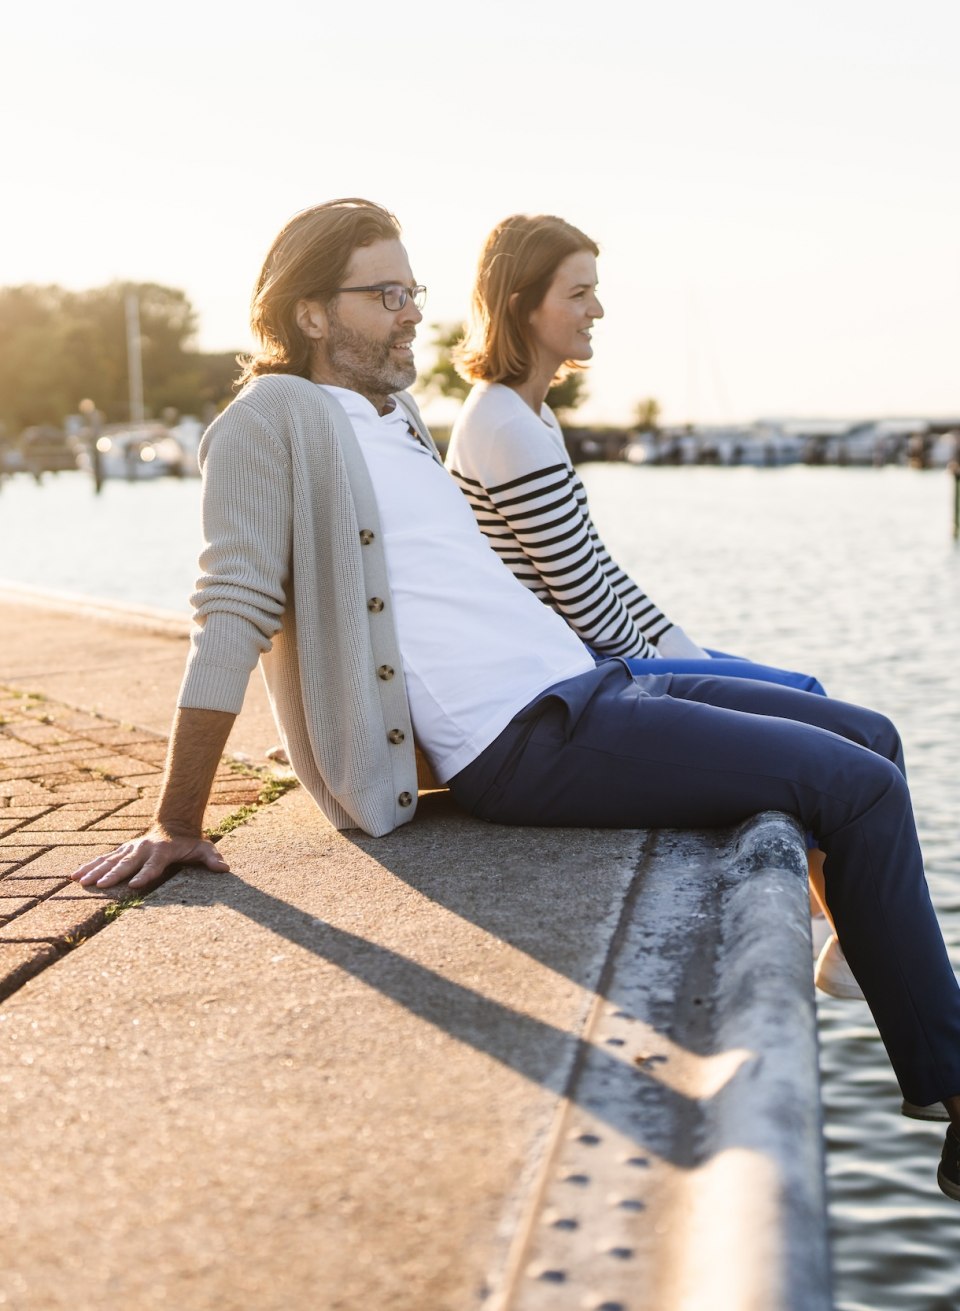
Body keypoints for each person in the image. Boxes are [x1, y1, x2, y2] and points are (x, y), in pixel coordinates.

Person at [68, 198, 960, 1201]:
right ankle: (957, 1095)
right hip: (523, 738)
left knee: (872, 737)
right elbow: (230, 607)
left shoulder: (394, 414)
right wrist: (175, 818)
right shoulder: (268, 423)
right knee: (858, 790)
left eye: (414, 291)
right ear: (312, 313)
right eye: (385, 294)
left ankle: (880, 980)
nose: (411, 314)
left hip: (587, 685)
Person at [444, 212, 853, 996]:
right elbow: (591, 614)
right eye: (581, 292)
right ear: (524, 303)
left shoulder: (530, 414)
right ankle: (842, 937)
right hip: (594, 676)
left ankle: (837, 935)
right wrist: (684, 670)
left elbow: (603, 572)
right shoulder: (503, 426)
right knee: (803, 705)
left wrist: (691, 649)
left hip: (614, 652)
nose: (597, 309)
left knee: (803, 692)